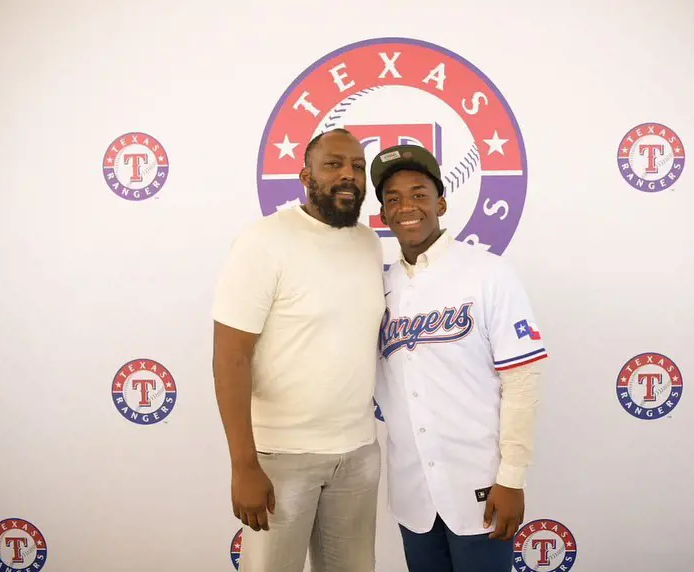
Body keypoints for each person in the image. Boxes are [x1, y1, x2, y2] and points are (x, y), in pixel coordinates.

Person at [212, 128, 385, 572]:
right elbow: (230, 356)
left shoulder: (368, 243)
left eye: (358, 167)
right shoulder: (263, 241)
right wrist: (244, 465)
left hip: (359, 453)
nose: (348, 175)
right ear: (305, 175)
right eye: (334, 165)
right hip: (280, 459)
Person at [370, 144, 549, 572]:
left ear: (441, 203)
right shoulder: (378, 286)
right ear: (383, 215)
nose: (406, 206)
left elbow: (522, 382)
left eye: (418, 193)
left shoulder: (488, 272)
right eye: (392, 199)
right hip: (412, 490)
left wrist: (512, 478)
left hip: (482, 484)